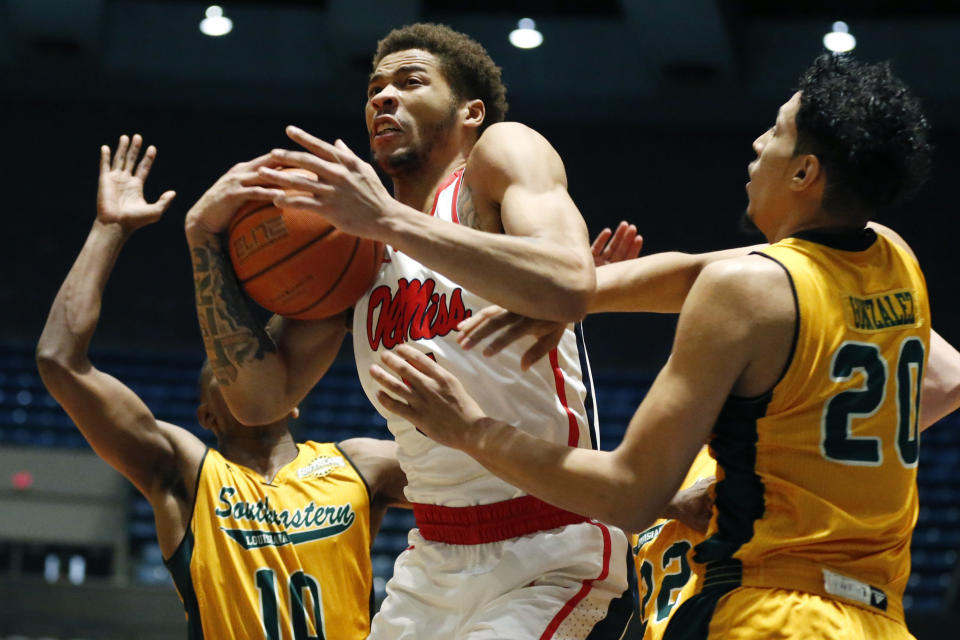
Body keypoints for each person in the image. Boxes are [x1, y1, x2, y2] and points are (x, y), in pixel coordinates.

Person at [371, 55, 940, 639]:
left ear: (804, 173)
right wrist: (566, 293)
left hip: (769, 612)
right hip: (877, 617)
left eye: (778, 132)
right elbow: (693, 272)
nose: (759, 141)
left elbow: (628, 495)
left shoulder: (745, 292)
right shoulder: (894, 260)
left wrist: (471, 430)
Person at [183, 22, 636, 640]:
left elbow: (568, 281)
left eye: (409, 81)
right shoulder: (355, 250)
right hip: (433, 558)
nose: (382, 98)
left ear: (470, 111)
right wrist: (202, 240)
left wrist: (387, 219)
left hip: (550, 540)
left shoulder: (501, 155)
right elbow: (260, 399)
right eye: (374, 89)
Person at [36, 135, 408, 640]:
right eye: (222, 364)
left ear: (293, 402)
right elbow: (60, 362)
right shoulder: (186, 473)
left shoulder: (361, 465)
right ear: (206, 416)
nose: (240, 361)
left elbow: (476, 480)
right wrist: (109, 229)